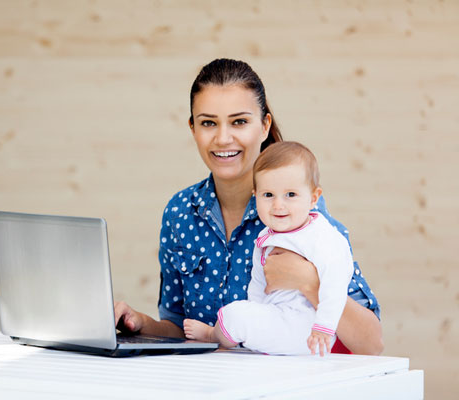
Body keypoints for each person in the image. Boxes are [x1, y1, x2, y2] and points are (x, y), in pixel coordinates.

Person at [114, 58, 383, 355]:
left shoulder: (297, 214)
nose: (223, 138)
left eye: (239, 121)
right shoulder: (180, 212)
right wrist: (140, 324)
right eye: (208, 123)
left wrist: (309, 283)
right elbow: (180, 328)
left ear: (265, 125)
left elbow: (371, 344)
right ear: (193, 129)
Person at [183, 141, 353, 356]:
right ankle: (236, 338)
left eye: (290, 195)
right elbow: (258, 284)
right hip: (277, 317)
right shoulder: (265, 237)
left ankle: (212, 336)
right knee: (237, 313)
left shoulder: (322, 235)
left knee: (233, 315)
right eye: (268, 195)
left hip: (308, 328)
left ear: (313, 198)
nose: (278, 205)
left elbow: (335, 283)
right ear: (256, 196)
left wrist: (324, 327)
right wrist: (255, 311)